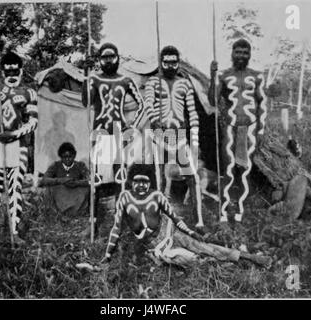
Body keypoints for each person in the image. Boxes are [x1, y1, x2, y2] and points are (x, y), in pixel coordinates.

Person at [101, 164, 271, 268]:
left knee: (203, 246)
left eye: (145, 182)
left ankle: (249, 257)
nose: (141, 185)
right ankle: (225, 261)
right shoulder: (125, 198)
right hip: (157, 245)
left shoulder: (157, 196)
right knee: (188, 259)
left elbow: (175, 218)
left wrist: (191, 233)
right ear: (131, 181)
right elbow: (116, 229)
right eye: (137, 181)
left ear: (150, 182)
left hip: (170, 231)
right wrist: (108, 255)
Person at [133, 45, 203, 227]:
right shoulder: (152, 82)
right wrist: (156, 120)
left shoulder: (185, 83)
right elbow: (148, 105)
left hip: (178, 135)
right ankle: (158, 219)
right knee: (160, 178)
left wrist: (194, 138)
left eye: (174, 62)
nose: (170, 66)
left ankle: (199, 222)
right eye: (166, 62)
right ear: (161, 63)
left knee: (192, 177)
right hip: (159, 134)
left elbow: (192, 111)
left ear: (178, 63)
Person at [81, 42, 145, 236]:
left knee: (121, 178)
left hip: (118, 132)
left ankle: (120, 219)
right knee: (96, 179)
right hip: (100, 132)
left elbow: (141, 105)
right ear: (100, 60)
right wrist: (86, 78)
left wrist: (132, 126)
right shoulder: (94, 79)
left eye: (112, 57)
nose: (108, 61)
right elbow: (86, 102)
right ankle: (93, 223)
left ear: (117, 57)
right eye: (105, 57)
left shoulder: (126, 81)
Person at [0, 51, 38, 245]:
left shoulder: (29, 92)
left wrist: (13, 134)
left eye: (15, 69)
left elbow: (33, 122)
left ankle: (14, 231)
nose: (12, 72)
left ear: (21, 70)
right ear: (2, 71)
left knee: (15, 189)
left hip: (18, 145)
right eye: (7, 69)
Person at [208, 39, 267, 223]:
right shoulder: (223, 76)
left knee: (244, 170)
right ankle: (224, 209)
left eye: (245, 52)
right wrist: (212, 75)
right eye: (238, 52)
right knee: (228, 169)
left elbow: (262, 105)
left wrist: (261, 131)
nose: (241, 55)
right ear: (232, 53)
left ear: (249, 54)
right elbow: (212, 101)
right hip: (230, 128)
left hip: (248, 129)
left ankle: (241, 210)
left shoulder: (257, 76)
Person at [38, 142, 89, 218]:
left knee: (87, 188)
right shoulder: (55, 165)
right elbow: (44, 180)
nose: (67, 159)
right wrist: (61, 180)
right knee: (49, 189)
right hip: (60, 197)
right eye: (64, 157)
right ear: (61, 157)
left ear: (74, 155)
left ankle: (77, 213)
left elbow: (89, 180)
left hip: (76, 195)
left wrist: (77, 183)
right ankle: (57, 214)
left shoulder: (80, 165)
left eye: (70, 156)